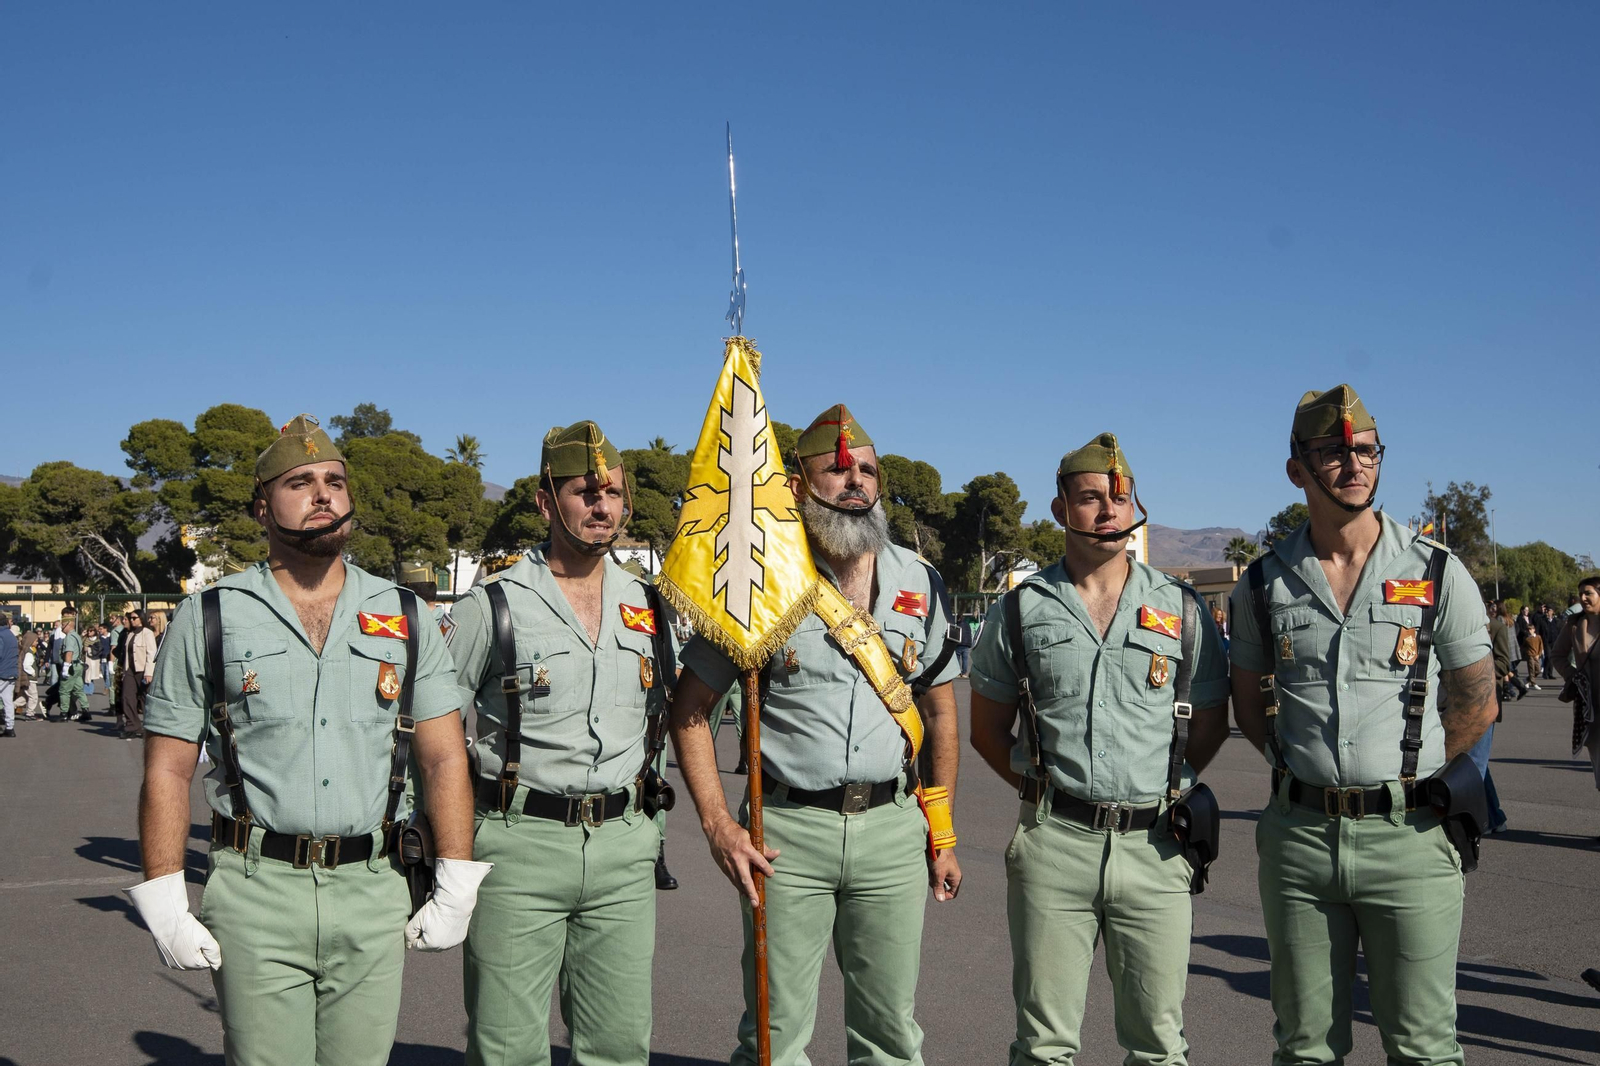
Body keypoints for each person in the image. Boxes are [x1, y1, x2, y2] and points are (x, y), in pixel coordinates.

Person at [128, 413, 488, 1066]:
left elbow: (442, 757)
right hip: (255, 891)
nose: (323, 494)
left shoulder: (406, 614)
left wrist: (456, 875)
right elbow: (168, 771)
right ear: (262, 508)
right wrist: (164, 892)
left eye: (334, 481)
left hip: (373, 888)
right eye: (300, 483)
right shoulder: (210, 617)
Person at [668, 404, 964, 1066]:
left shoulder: (919, 580)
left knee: (891, 1034)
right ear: (798, 487)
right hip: (786, 835)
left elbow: (941, 713)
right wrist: (718, 825)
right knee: (774, 1035)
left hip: (892, 831)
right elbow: (690, 709)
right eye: (837, 470)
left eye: (867, 471)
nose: (855, 481)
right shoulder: (758, 583)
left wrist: (941, 833)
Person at [1228, 384, 1496, 1066]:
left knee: (1424, 1047)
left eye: (1367, 451)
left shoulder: (1437, 571)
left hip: (1411, 840)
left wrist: (1407, 775)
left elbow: (1477, 701)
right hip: (1299, 842)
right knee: (1305, 1048)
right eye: (1334, 452)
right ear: (1297, 469)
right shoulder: (1261, 583)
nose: (1355, 464)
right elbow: (1250, 707)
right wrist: (1309, 772)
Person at [968, 432, 1230, 1066]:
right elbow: (986, 730)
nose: (1109, 510)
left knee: (1159, 1044)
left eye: (1121, 496)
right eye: (1090, 498)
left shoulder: (1181, 608)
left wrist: (1159, 784)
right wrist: (1045, 796)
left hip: (1156, 848)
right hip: (1054, 846)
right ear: (1060, 509)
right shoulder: (1021, 611)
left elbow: (1210, 723)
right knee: (1043, 1045)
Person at [1551, 575, 1600, 804]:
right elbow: (1557, 655)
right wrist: (1574, 676)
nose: (1583, 598)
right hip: (1590, 707)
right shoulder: (1574, 624)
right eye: (1581, 594)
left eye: (1588, 593)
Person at [118, 611, 158, 738]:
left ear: (141, 619)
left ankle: (150, 727)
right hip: (130, 670)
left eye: (134, 618)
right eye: (130, 618)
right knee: (127, 697)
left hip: (143, 670)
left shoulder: (147, 633)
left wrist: (149, 672)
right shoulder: (130, 634)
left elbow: (151, 653)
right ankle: (132, 726)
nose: (132, 620)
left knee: (145, 699)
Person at [1492, 602, 1528, 703]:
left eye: (1494, 607)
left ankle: (1512, 690)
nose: (1493, 609)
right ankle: (1512, 689)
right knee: (1506, 670)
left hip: (1505, 647)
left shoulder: (1500, 619)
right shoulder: (1509, 618)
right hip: (1513, 648)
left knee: (1505, 669)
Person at [58, 615, 89, 722]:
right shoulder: (76, 635)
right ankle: (86, 710)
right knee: (79, 690)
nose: (61, 627)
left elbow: (69, 652)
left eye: (63, 624)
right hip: (77, 665)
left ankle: (64, 714)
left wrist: (66, 667)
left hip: (71, 666)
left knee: (64, 690)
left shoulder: (69, 637)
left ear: (68, 624)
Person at [0, 614, 17, 738]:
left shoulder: (1, 635)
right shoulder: (11, 635)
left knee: (7, 701)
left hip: (2, 671)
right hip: (12, 671)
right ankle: (10, 728)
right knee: (8, 701)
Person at [1538, 604, 1563, 679]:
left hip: (1554, 641)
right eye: (1546, 610)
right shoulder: (1542, 620)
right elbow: (1539, 630)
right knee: (1548, 656)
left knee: (1552, 657)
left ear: (1552, 612)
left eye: (1548, 610)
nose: (1547, 612)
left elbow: (1560, 631)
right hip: (1546, 641)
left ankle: (1550, 673)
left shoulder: (1556, 621)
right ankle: (1545, 673)